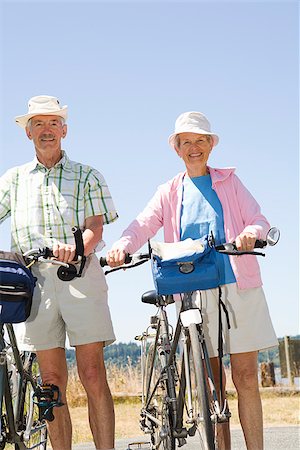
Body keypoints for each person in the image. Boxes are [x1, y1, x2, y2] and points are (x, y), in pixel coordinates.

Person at [106, 111, 278, 450]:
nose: (194, 147)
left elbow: (257, 218)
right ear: (177, 149)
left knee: (245, 378)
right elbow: (142, 224)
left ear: (211, 145)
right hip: (194, 290)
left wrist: (249, 233)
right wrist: (122, 246)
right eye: (187, 142)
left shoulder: (229, 181)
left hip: (237, 285)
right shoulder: (169, 191)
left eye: (200, 140)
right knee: (214, 385)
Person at [0, 95, 118, 450]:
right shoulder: (14, 179)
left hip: (79, 276)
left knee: (93, 373)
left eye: (53, 123)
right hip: (33, 284)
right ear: (28, 133)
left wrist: (78, 248)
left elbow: (95, 229)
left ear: (64, 130)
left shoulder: (87, 176)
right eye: (38, 124)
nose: (46, 130)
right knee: (50, 380)